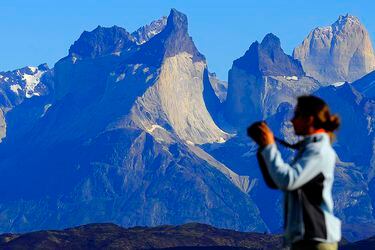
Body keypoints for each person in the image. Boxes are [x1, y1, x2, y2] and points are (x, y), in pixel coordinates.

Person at [247, 95, 341, 250]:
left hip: (315, 238)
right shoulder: (309, 149)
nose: (291, 120)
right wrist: (263, 147)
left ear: (310, 120)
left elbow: (288, 181)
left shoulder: (318, 151)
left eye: (297, 115)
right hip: (308, 238)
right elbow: (276, 182)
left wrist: (270, 147)